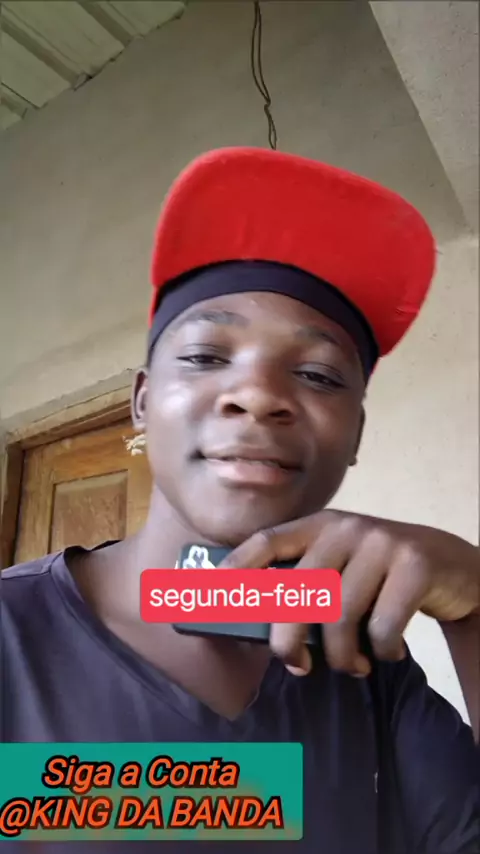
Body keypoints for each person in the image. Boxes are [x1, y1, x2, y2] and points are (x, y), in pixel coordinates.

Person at [2, 148, 479, 854]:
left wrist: (473, 600)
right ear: (141, 402)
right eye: (205, 356)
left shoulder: (367, 667)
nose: (257, 394)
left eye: (319, 374)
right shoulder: (13, 634)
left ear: (355, 435)